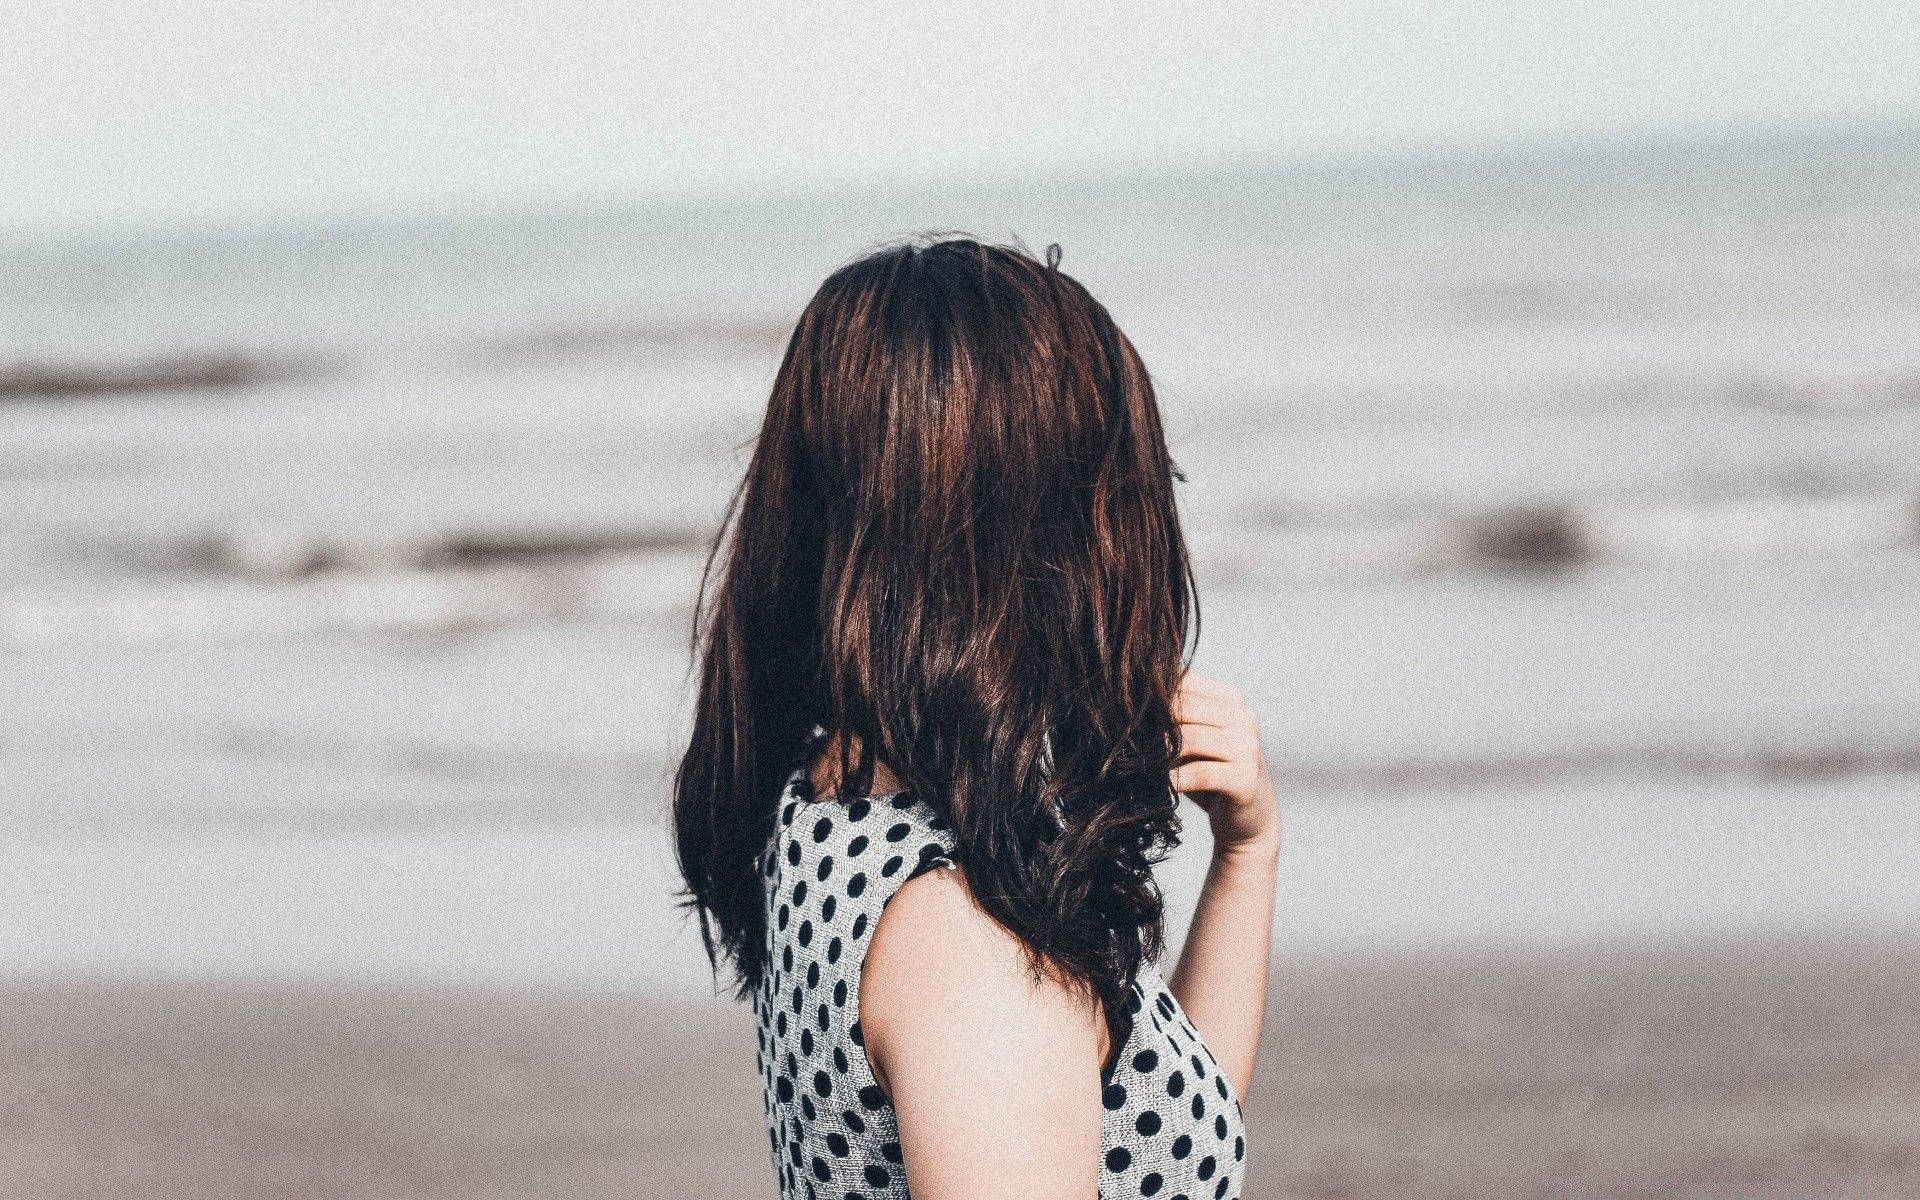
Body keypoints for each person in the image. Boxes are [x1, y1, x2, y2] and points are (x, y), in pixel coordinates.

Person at [673, 235, 1281, 1198]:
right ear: (1035, 540)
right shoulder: (972, 947)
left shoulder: (832, 796)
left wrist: (1247, 858)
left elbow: (1150, 1145)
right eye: (1121, 488)